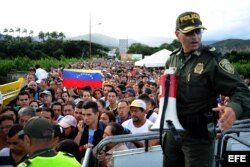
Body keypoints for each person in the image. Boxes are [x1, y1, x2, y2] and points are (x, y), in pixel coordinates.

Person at [163, 11, 250, 167]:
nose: (195, 36)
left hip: (198, 135)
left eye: (198, 31)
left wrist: (234, 108)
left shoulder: (212, 60)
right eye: (189, 32)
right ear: (177, 34)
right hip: (172, 131)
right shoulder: (172, 59)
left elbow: (242, 91)